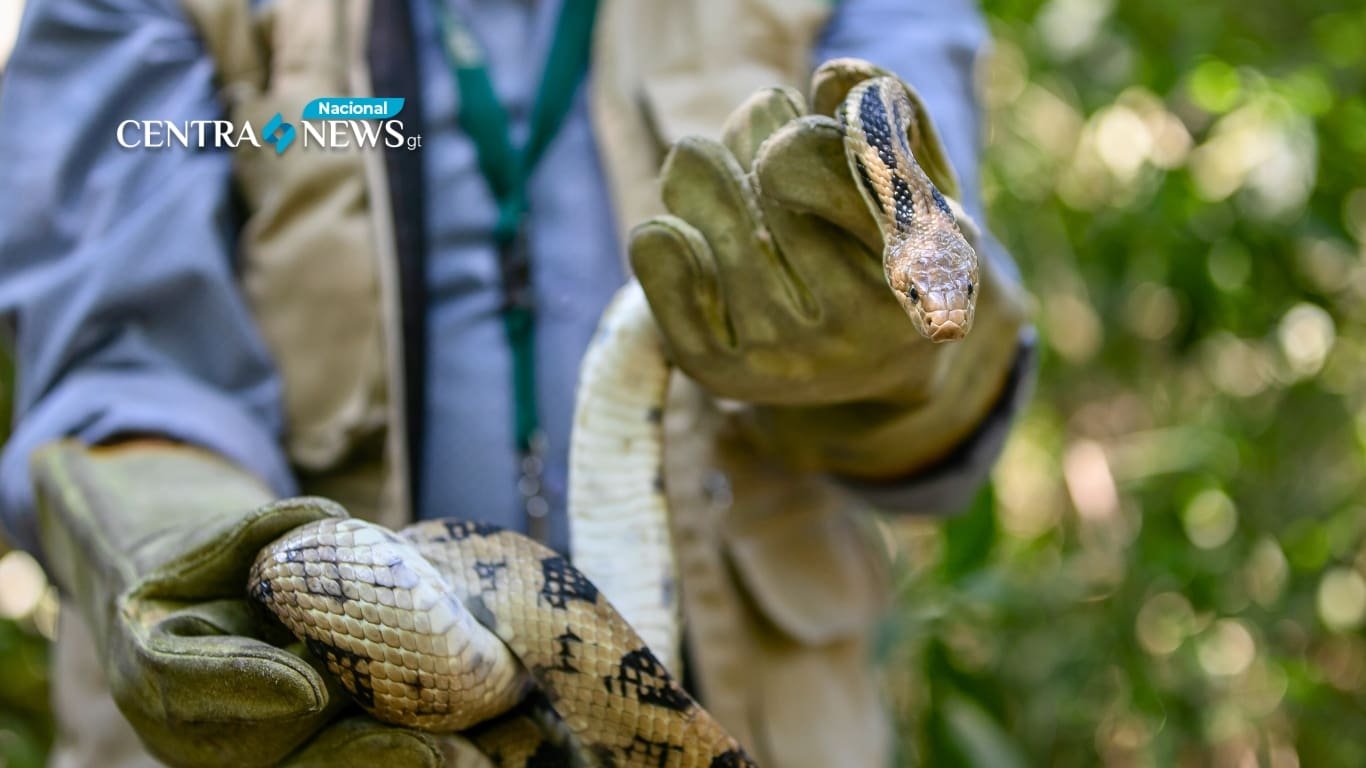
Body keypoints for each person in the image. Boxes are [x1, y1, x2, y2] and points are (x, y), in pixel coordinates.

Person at [0, 0, 1034, 765]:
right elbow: (117, 352)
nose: (931, 300)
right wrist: (178, 538)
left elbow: (954, 370)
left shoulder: (892, 128)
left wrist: (901, 364)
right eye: (921, 288)